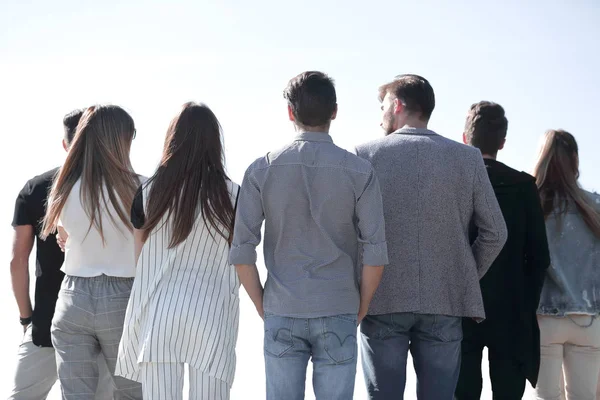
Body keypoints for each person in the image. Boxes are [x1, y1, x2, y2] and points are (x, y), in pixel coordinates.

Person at [230, 71, 389, 400]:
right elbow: (375, 251)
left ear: (290, 112)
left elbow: (242, 251)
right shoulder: (359, 171)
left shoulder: (261, 170)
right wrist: (359, 307)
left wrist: (263, 305)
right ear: (335, 111)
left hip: (282, 306)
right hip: (339, 305)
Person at [355, 75, 507, 400]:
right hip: (445, 299)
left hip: (382, 297)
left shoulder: (365, 155)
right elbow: (495, 232)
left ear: (397, 105)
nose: (380, 115)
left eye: (383, 107)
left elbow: (349, 230)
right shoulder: (467, 157)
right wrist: (463, 275)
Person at [115, 102, 240, 400]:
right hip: (212, 312)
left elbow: (140, 255)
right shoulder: (234, 194)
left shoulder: (149, 192)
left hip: (160, 313)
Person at [9, 109, 114, 399]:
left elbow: (18, 260)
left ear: (66, 143)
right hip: (104, 322)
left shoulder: (36, 188)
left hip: (47, 317)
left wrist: (26, 318)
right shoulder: (118, 188)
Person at [41, 105, 144, 400]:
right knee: (132, 393)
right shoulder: (142, 187)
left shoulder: (63, 188)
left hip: (72, 295)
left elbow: (65, 237)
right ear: (120, 138)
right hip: (123, 296)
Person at [455, 101, 551, 399]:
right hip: (511, 311)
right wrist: (525, 304)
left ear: (465, 138)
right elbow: (539, 257)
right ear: (503, 143)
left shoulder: (455, 180)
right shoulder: (524, 185)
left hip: (461, 309)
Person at [532, 129, 600, 400]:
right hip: (588, 319)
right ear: (575, 159)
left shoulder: (531, 203)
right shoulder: (594, 205)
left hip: (543, 318)